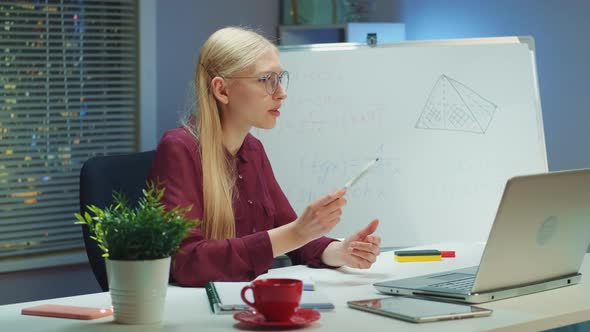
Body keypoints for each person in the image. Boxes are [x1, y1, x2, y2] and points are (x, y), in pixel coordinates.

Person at [148, 26, 381, 287]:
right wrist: (296, 233)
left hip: (249, 303)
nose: (281, 93)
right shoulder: (179, 149)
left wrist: (339, 251)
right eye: (266, 79)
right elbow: (187, 262)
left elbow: (293, 235)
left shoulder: (253, 150)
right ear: (222, 90)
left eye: (280, 78)